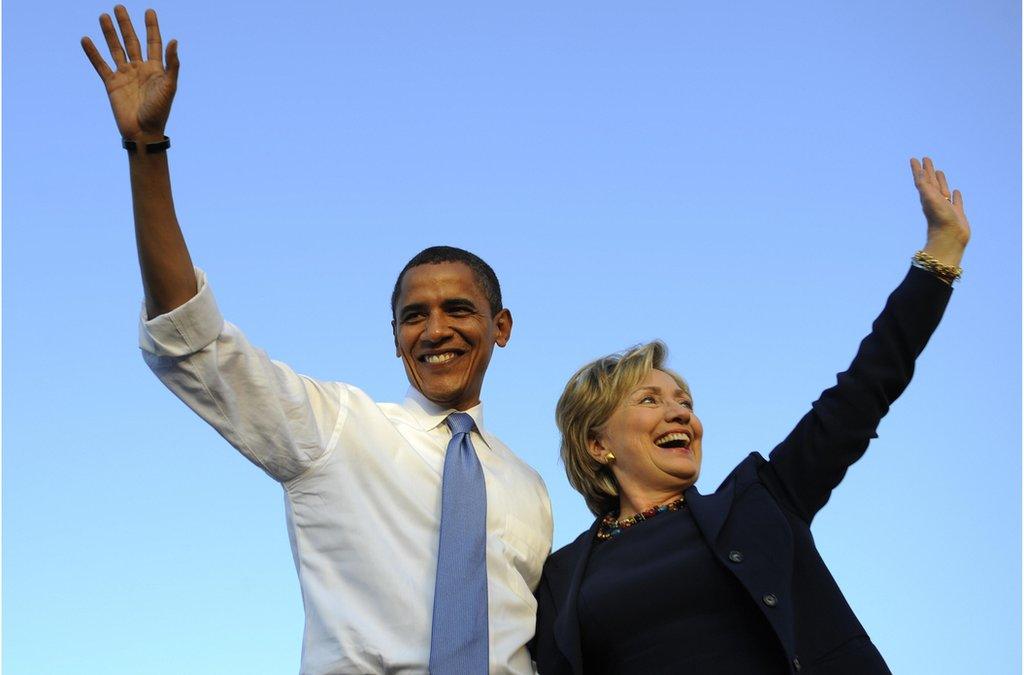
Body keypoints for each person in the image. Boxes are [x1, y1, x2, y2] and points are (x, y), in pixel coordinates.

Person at [81, 7, 552, 674]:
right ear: (394, 339)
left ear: (500, 327)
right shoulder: (336, 430)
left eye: (457, 309)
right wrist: (146, 152)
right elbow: (191, 337)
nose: (436, 329)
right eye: (413, 316)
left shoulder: (531, 490)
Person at [532, 158, 969, 674]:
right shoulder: (560, 579)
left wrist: (940, 256)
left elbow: (861, 392)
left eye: (685, 403)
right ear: (596, 443)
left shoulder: (760, 502)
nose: (679, 414)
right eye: (650, 400)